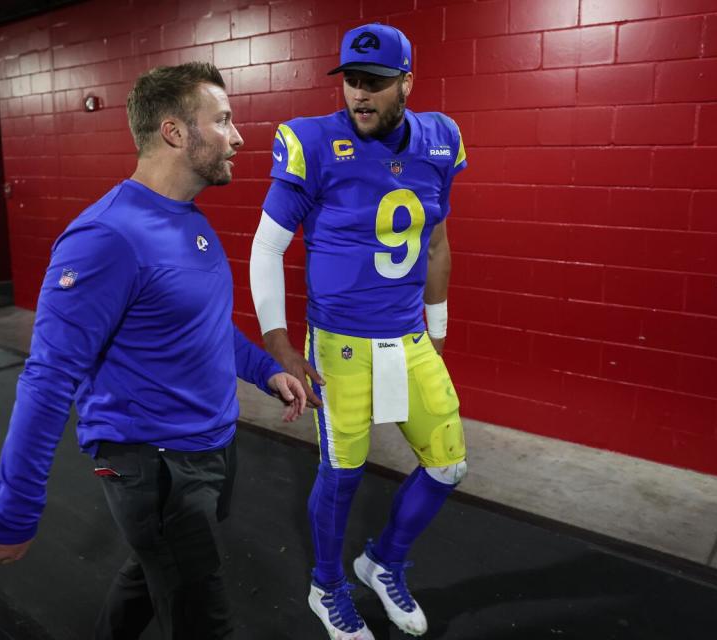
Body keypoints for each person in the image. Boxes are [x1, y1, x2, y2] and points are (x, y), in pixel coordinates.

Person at [0, 62, 306, 640]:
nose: (239, 136)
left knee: (153, 571)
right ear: (175, 132)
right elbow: (48, 378)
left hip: (211, 447)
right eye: (222, 120)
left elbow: (203, 326)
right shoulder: (106, 237)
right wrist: (15, 508)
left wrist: (265, 370)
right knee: (204, 619)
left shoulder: (188, 221)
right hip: (153, 464)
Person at [249, 23, 468, 639]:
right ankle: (327, 586)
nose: (359, 94)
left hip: (407, 337)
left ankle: (383, 562)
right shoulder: (313, 142)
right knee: (342, 474)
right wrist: (279, 342)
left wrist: (438, 327)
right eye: (350, 80)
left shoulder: (440, 139)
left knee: (449, 465)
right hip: (340, 344)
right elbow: (268, 249)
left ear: (407, 83)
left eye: (375, 82)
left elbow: (439, 241)